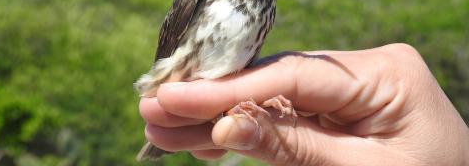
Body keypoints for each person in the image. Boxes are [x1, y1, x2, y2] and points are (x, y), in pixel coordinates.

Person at [139, 43, 469, 165]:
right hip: (185, 80)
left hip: (205, 102)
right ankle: (158, 144)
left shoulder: (267, 2)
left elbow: (238, 72)